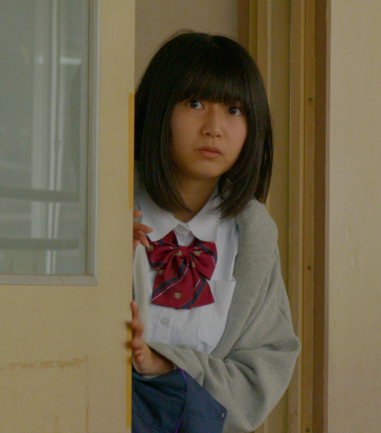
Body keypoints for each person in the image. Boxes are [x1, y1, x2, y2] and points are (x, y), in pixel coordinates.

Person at [129, 30, 300, 432]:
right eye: (195, 103)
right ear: (159, 108)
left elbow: (264, 369)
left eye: (234, 109)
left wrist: (167, 365)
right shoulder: (102, 209)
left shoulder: (252, 235)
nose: (214, 127)